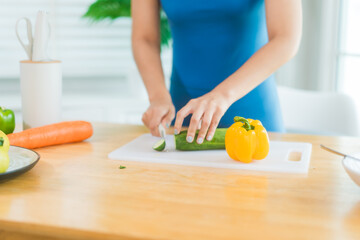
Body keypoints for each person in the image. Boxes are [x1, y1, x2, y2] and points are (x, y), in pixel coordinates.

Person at [131, 0, 302, 144]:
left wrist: (222, 95)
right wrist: (158, 97)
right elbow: (144, 38)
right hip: (183, 117)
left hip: (252, 116)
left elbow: (285, 37)